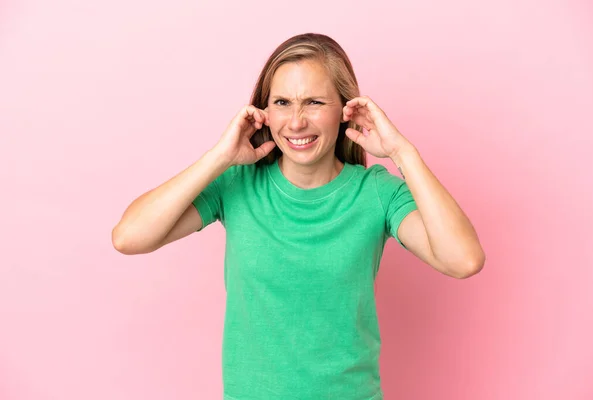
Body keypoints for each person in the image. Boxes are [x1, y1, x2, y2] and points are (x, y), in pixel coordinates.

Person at [112, 33, 485, 400]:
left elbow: (463, 259)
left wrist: (402, 152)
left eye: (314, 102)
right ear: (264, 111)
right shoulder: (237, 184)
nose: (295, 122)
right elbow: (129, 237)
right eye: (282, 102)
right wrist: (219, 157)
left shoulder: (376, 191)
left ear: (344, 109)